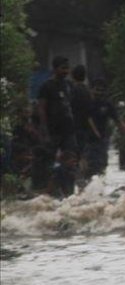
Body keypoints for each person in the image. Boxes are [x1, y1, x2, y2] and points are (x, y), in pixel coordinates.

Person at [34, 56, 77, 197]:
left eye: (67, 68)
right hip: (53, 130)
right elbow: (41, 108)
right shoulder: (47, 86)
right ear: (55, 69)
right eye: (63, 68)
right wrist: (44, 128)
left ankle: (69, 192)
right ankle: (47, 192)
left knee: (70, 161)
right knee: (49, 160)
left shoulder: (69, 85)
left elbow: (73, 107)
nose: (66, 71)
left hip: (69, 130)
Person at [84, 78, 125, 178]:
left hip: (103, 138)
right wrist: (95, 132)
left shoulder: (107, 104)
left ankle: (100, 182)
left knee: (102, 163)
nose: (99, 93)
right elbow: (88, 118)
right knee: (91, 164)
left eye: (102, 90)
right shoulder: (88, 103)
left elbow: (118, 121)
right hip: (89, 139)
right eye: (97, 90)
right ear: (92, 90)